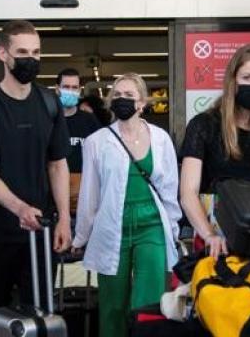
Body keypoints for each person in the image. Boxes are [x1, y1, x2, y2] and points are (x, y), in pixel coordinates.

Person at [0, 20, 71, 334]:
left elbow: (57, 164)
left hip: (39, 238)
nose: (30, 59)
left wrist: (63, 218)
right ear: (3, 54)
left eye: (36, 52)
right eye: (22, 52)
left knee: (40, 320)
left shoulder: (49, 103)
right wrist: (20, 208)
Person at [72, 73, 182, 337]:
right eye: (117, 95)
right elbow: (90, 194)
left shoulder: (160, 138)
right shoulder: (97, 141)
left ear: (142, 103)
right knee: (112, 304)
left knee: (149, 301)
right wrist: (81, 237)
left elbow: (169, 188)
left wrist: (174, 230)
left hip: (152, 226)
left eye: (129, 96)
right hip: (113, 228)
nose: (122, 100)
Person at [179, 44, 250, 258]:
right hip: (209, 232)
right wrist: (209, 235)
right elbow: (187, 193)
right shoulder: (204, 125)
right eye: (247, 78)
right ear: (233, 81)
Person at [56, 68, 101, 215]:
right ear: (58, 89)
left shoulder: (89, 121)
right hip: (54, 196)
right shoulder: (48, 121)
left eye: (74, 87)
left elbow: (100, 156)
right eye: (66, 87)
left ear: (80, 90)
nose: (70, 91)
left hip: (84, 196)